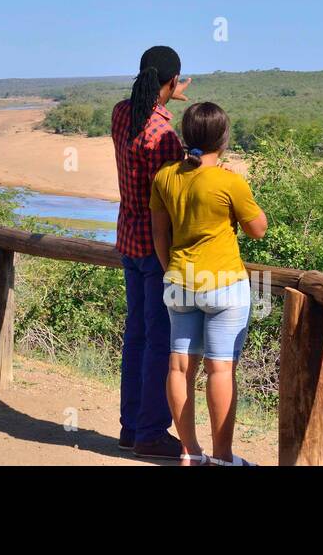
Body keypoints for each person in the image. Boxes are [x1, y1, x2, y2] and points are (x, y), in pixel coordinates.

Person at [150, 102, 268, 466]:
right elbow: (258, 229)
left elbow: (159, 234)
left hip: (179, 281)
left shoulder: (165, 176)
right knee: (220, 369)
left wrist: (171, 269)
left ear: (186, 136)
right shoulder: (229, 181)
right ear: (224, 138)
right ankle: (222, 457)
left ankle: (189, 452)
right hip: (224, 284)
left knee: (179, 367)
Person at [111, 45, 190, 459]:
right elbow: (173, 198)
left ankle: (131, 427)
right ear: (173, 82)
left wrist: (165, 97)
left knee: (136, 335)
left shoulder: (121, 114)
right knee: (160, 340)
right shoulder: (164, 137)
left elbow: (142, 104)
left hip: (127, 239)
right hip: (158, 249)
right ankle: (150, 432)